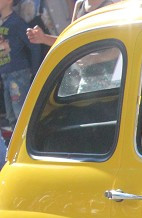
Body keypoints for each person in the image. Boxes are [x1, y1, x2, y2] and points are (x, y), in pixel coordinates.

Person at [0, 0, 32, 129]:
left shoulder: (17, 22)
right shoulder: (3, 22)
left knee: (21, 114)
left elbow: (33, 44)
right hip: (6, 74)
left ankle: (24, 144)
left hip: (18, 73)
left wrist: (35, 69)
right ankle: (15, 146)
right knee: (11, 116)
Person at [26, 0, 114, 46]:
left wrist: (93, 59)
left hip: (111, 71)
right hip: (86, 72)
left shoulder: (112, 3)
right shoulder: (79, 5)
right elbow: (71, 42)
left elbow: (116, 46)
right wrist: (43, 38)